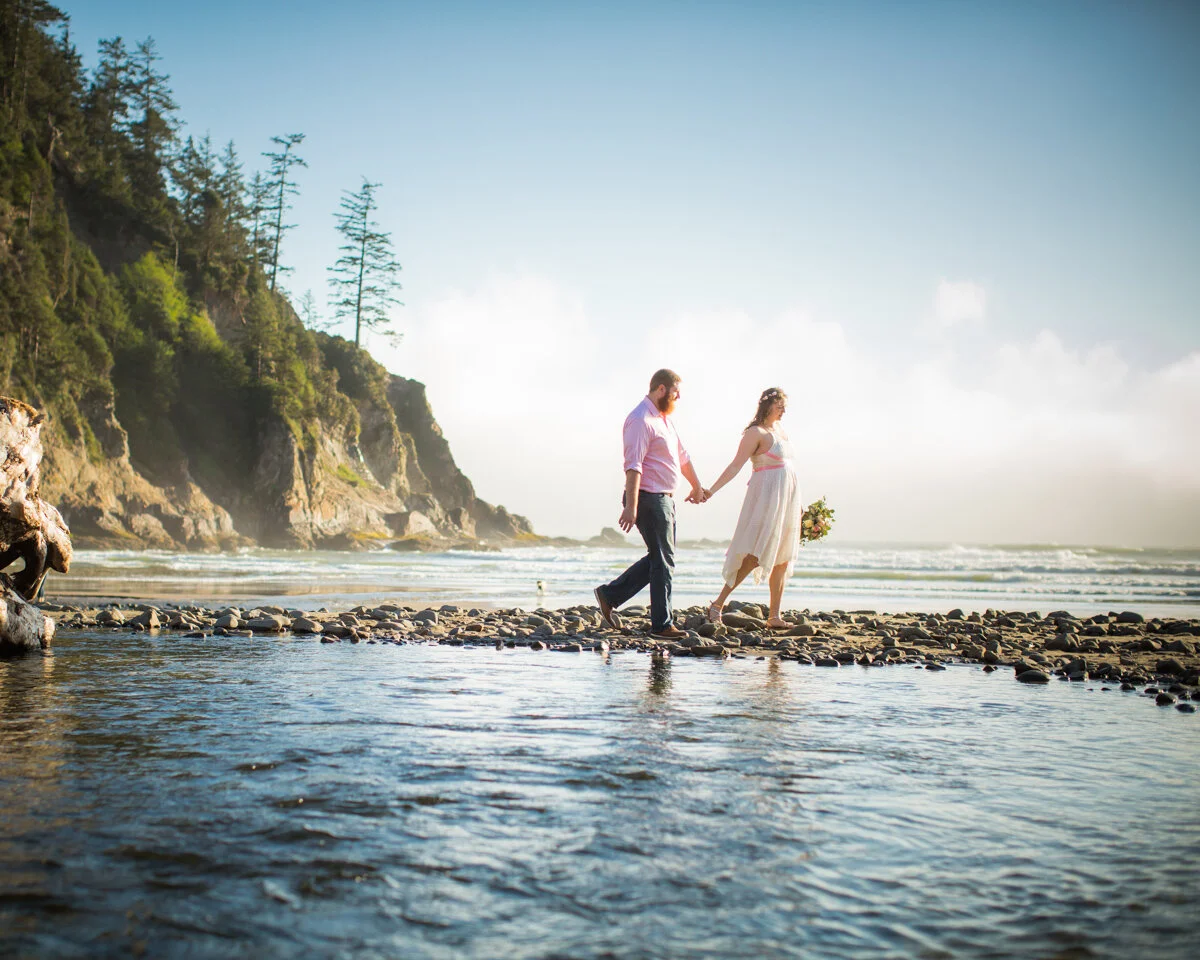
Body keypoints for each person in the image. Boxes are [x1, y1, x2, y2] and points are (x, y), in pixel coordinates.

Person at [594, 369, 705, 639]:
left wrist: (697, 485)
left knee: (660, 558)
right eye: (676, 392)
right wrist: (630, 506)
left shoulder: (664, 420)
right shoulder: (640, 420)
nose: (679, 397)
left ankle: (610, 595)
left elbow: (682, 456)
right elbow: (633, 466)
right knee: (663, 561)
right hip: (648, 498)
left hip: (664, 498)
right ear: (661, 389)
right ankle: (662, 625)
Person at [702, 387, 802, 630]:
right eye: (780, 405)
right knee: (754, 555)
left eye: (785, 406)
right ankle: (717, 604)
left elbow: (788, 469)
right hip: (766, 500)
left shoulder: (780, 431)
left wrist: (798, 504)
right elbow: (735, 466)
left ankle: (774, 616)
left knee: (782, 556)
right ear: (768, 405)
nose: (784, 410)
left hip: (787, 500)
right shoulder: (755, 433)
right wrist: (711, 490)